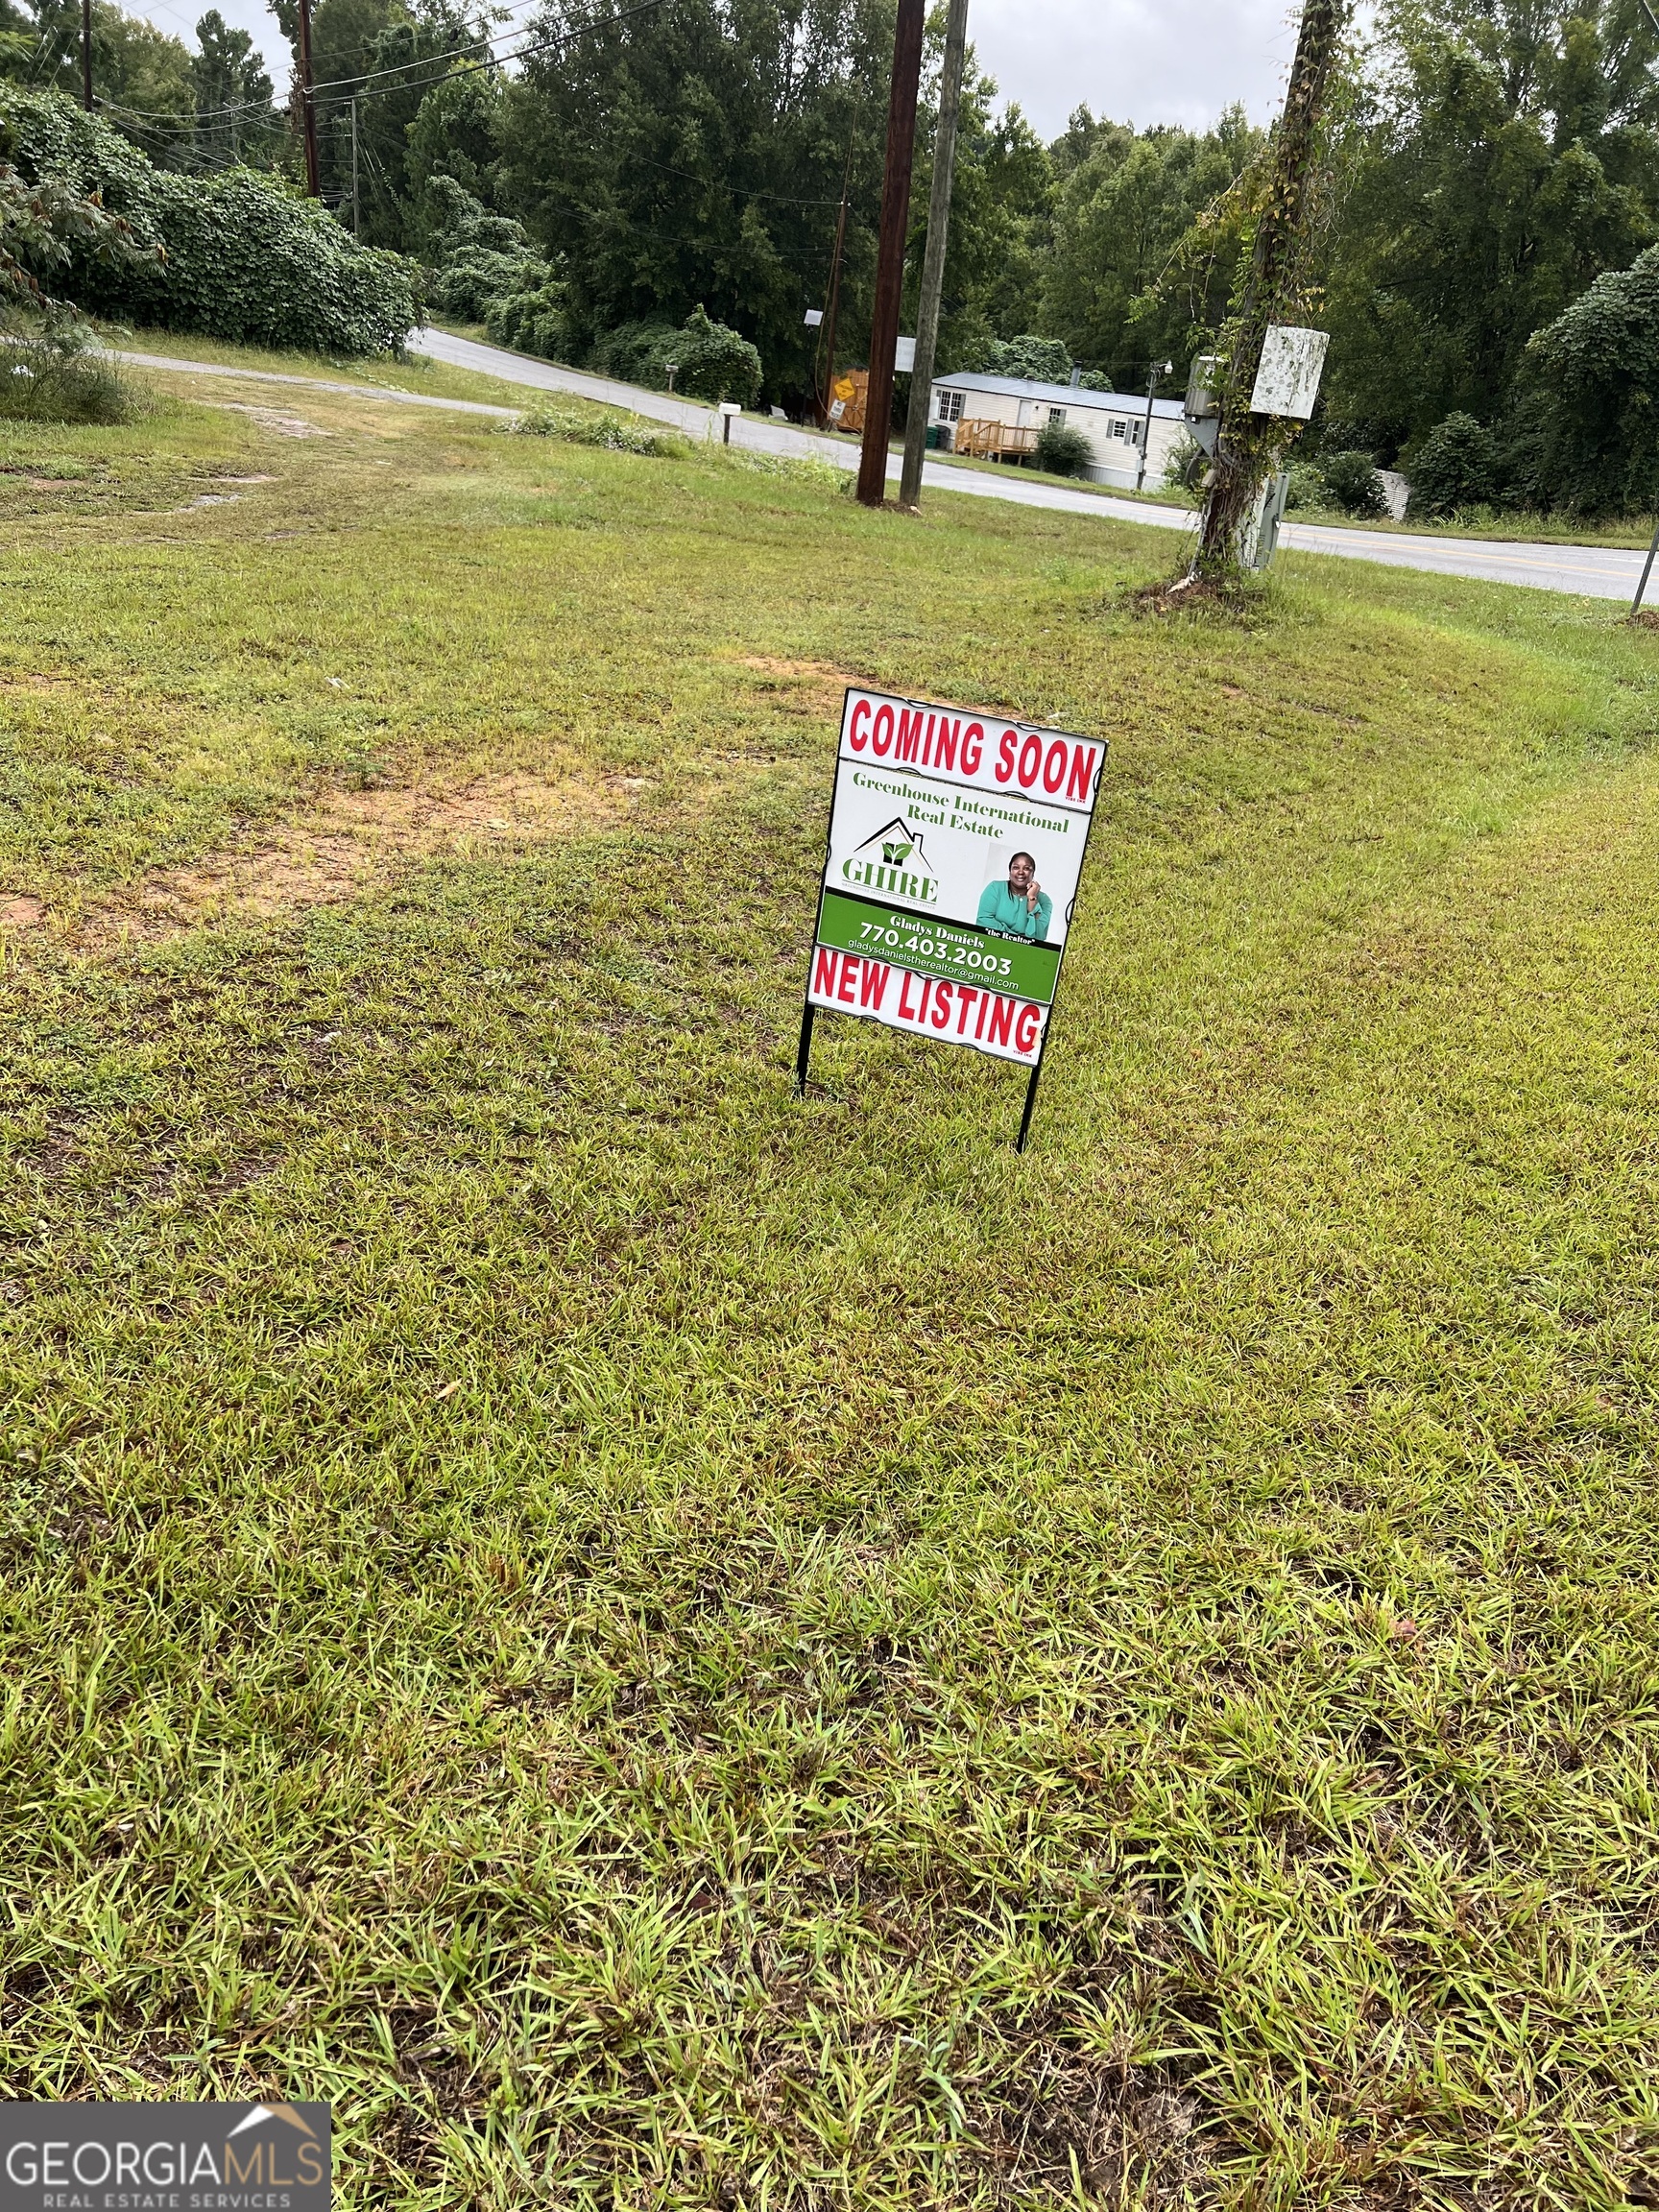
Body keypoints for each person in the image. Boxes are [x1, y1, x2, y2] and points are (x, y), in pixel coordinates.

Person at [976, 851, 1051, 940]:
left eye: (1026, 868)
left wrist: (1032, 899)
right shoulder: (995, 888)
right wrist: (1016, 938)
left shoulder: (1045, 901)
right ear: (1010, 872)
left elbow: (1039, 937)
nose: (1020, 872)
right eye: (1016, 868)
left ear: (1033, 873)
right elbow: (983, 921)